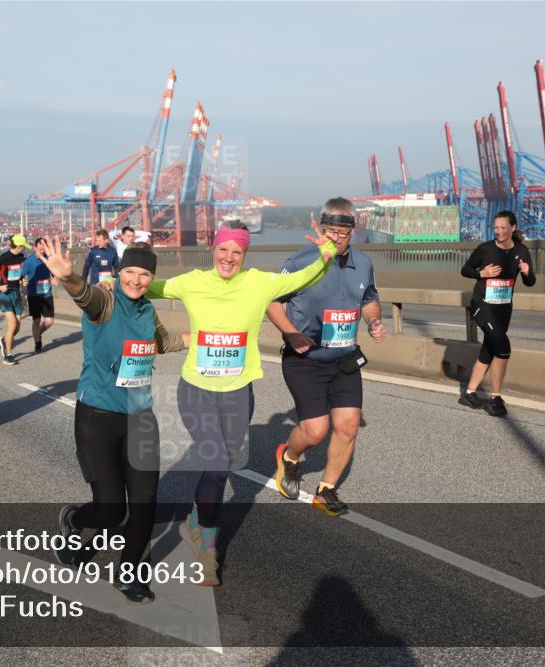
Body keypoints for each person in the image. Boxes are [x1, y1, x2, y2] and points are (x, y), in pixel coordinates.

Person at [145, 219, 336, 585]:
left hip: (237, 392)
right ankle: (208, 551)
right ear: (213, 249)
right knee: (217, 463)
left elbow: (304, 278)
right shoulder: (191, 282)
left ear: (245, 254)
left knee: (221, 467)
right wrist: (109, 282)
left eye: (237, 251)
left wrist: (326, 251)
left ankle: (196, 522)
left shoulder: (259, 283)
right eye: (223, 249)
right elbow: (145, 286)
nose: (229, 257)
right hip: (197, 390)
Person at [40, 237, 187, 603]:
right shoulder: (105, 303)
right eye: (130, 272)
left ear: (151, 278)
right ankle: (74, 520)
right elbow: (84, 295)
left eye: (144, 274)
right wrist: (69, 277)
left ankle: (128, 574)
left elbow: (161, 343)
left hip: (140, 418)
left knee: (144, 504)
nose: (136, 280)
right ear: (119, 273)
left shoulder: (147, 311)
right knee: (111, 510)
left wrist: (206, 338)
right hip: (98, 418)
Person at [267, 199, 387, 516]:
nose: (336, 238)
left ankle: (327, 489)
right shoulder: (301, 261)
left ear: (353, 231)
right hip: (305, 358)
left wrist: (374, 320)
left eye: (342, 233)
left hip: (345, 360)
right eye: (330, 232)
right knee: (316, 431)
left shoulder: (363, 263)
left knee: (348, 426)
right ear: (321, 229)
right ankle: (289, 456)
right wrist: (291, 332)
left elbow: (369, 299)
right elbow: (272, 301)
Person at [459, 210, 536, 417]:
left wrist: (527, 272)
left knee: (489, 349)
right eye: (496, 228)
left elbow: (530, 282)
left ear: (513, 228)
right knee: (503, 348)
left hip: (503, 308)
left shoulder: (521, 251)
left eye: (503, 228)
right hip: (482, 305)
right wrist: (481, 273)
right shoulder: (485, 249)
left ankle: (469, 393)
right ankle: (495, 398)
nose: (498, 231)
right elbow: (465, 269)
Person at [0, 234, 32, 365]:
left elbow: (20, 274)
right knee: (12, 324)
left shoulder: (21, 257)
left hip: (16, 293)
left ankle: (4, 340)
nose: (24, 248)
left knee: (17, 327)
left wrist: (23, 280)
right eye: (23, 246)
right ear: (18, 246)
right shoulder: (3, 258)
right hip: (5, 294)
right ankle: (8, 354)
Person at [22, 237, 57, 353]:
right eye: (40, 249)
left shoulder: (48, 259)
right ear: (34, 248)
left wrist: (54, 278)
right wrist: (23, 283)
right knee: (36, 321)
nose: (42, 251)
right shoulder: (29, 261)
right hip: (34, 295)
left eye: (44, 249)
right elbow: (21, 276)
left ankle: (38, 333)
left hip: (47, 294)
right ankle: (37, 343)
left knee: (49, 321)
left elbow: (55, 271)